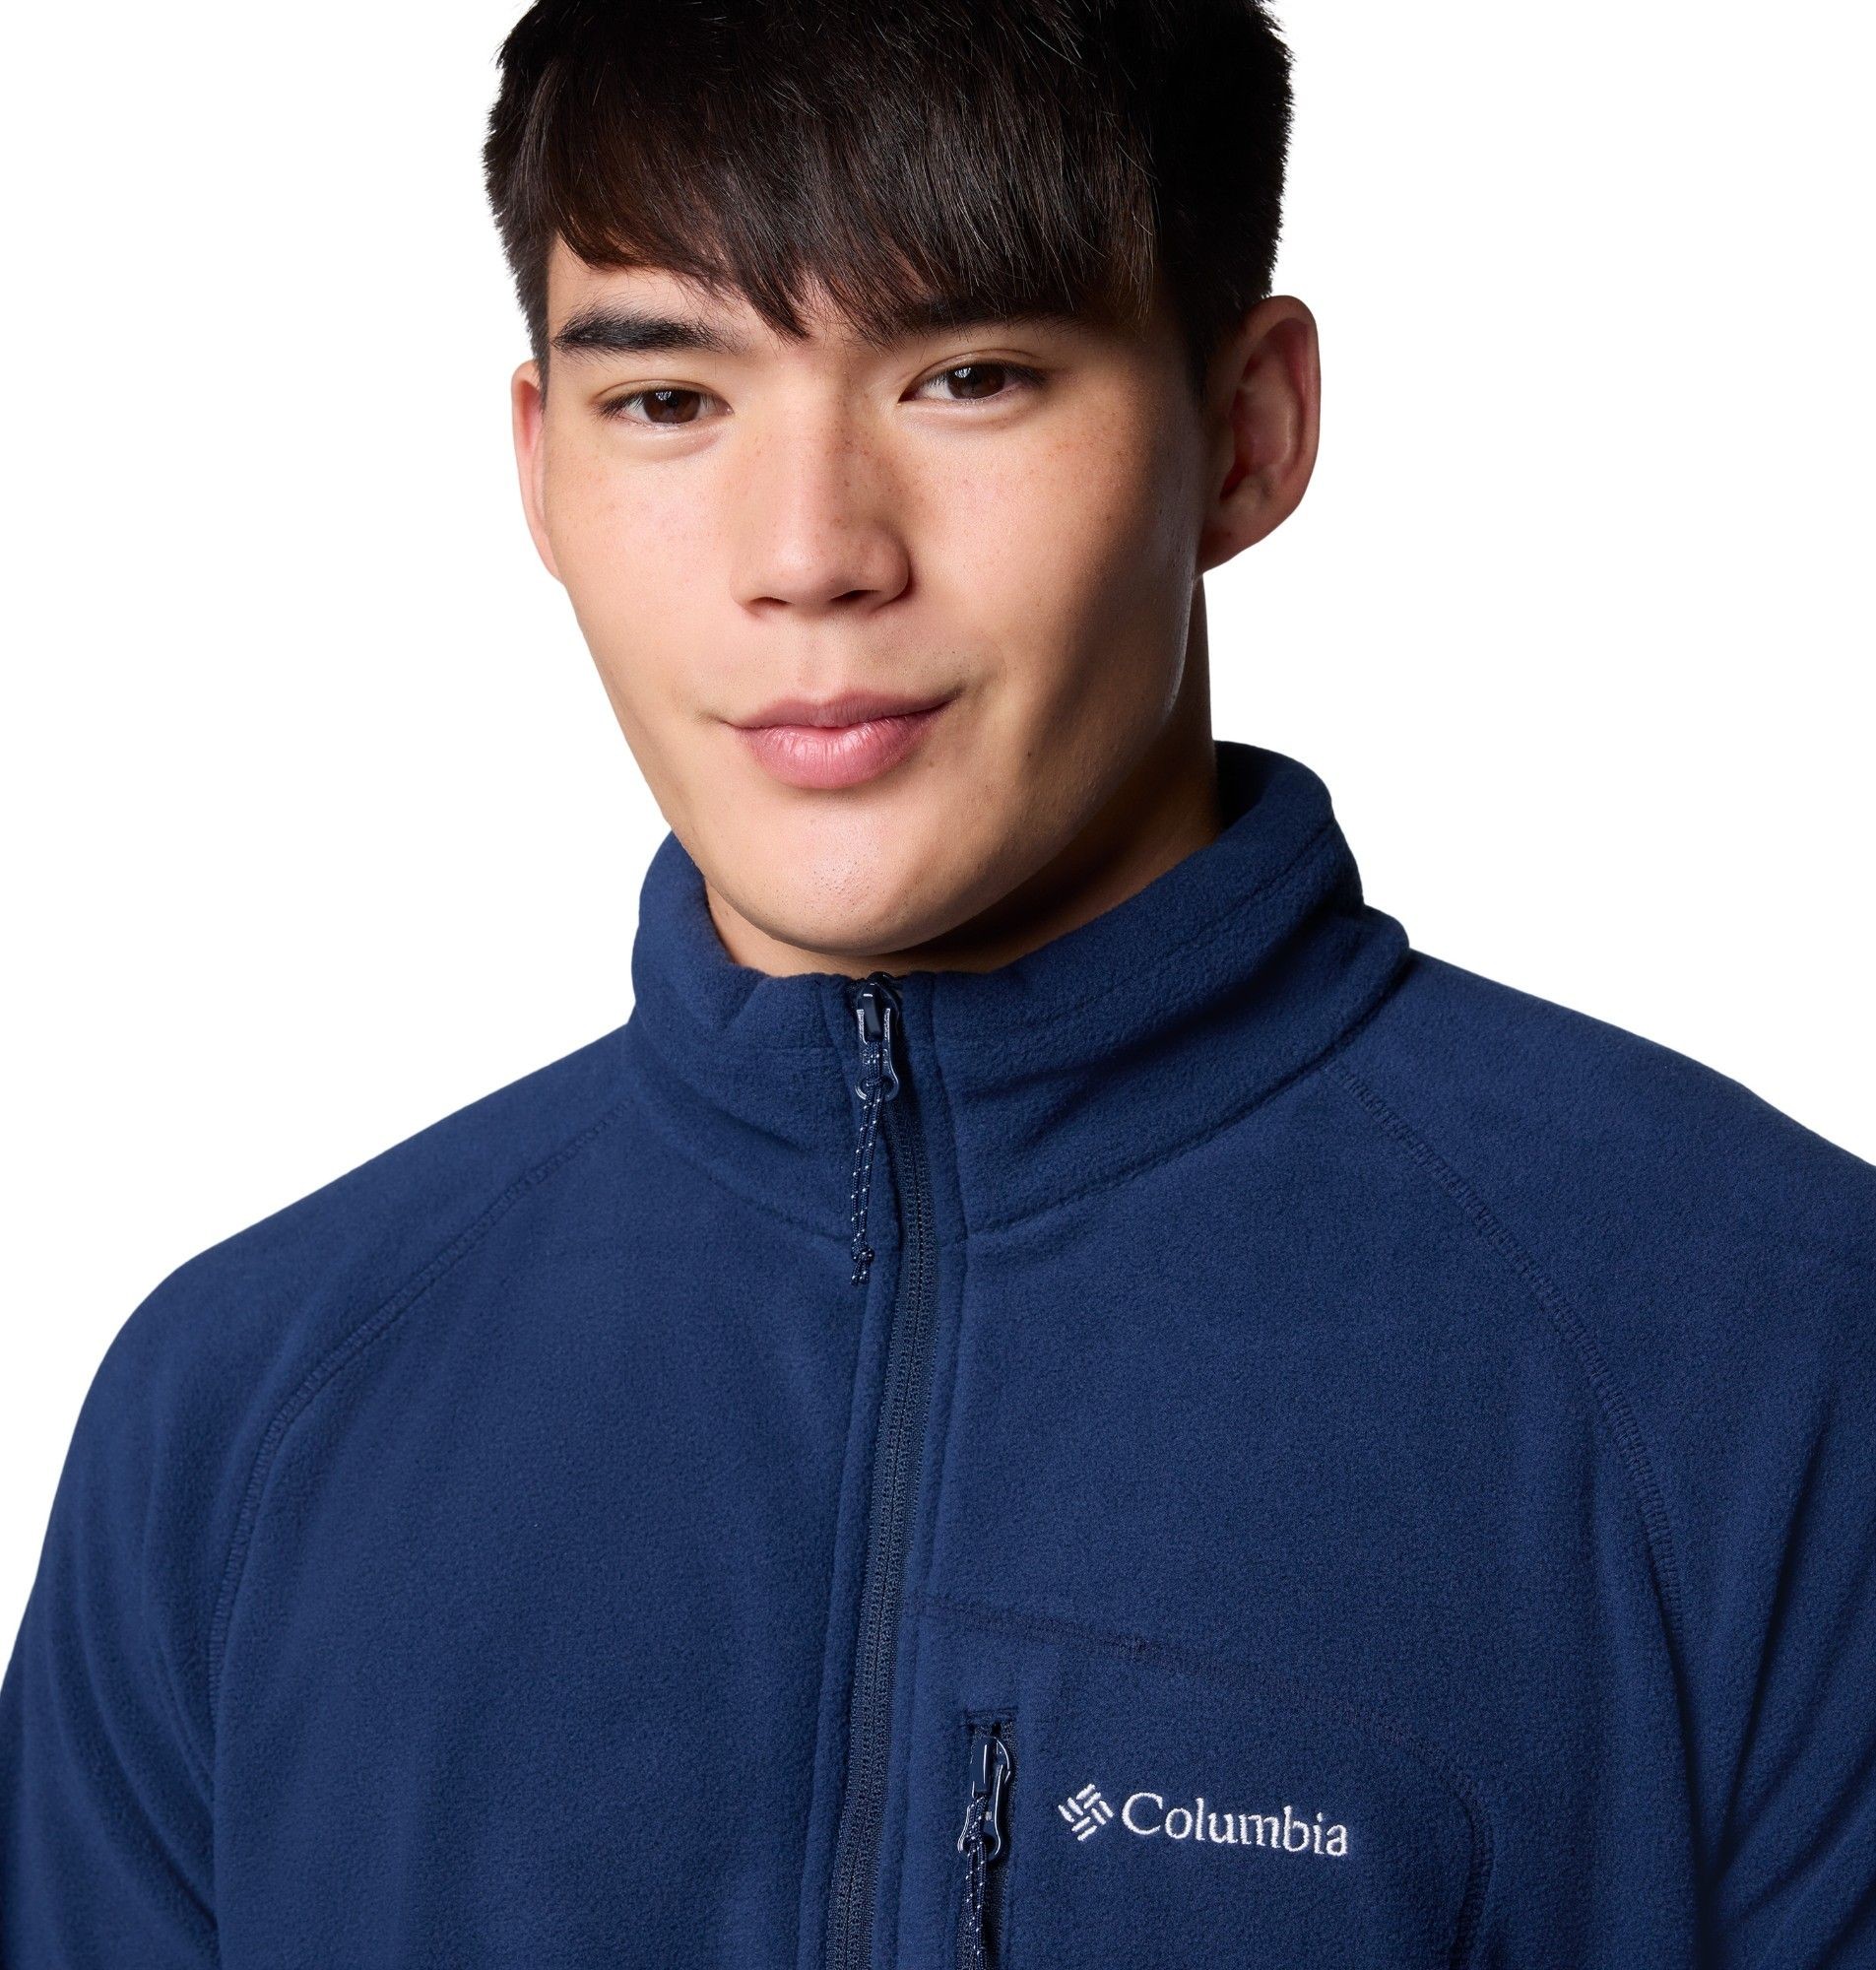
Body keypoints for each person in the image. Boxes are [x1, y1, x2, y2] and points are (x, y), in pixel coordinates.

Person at [3, 0, 1871, 1963]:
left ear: (1245, 431)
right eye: (670, 400)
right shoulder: (237, 1418)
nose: (808, 554)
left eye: (968, 376)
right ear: (540, 467)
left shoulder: (1768, 1364)